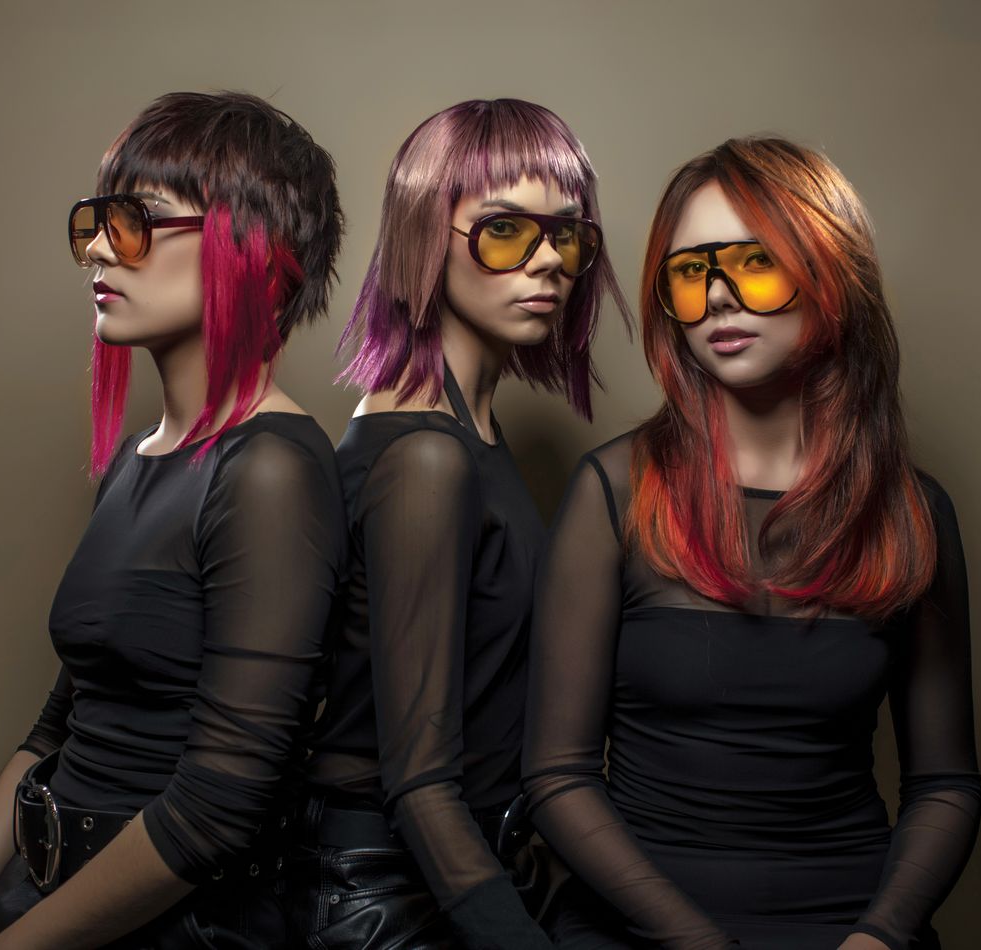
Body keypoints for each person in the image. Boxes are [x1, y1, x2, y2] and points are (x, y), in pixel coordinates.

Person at [522, 137, 981, 950]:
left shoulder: (913, 512)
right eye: (690, 273)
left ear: (829, 275)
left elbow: (945, 785)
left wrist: (879, 937)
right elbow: (558, 776)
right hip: (642, 929)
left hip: (849, 925)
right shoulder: (613, 493)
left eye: (754, 263)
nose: (718, 298)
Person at [0, 91, 346, 949]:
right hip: (34, 900)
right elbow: (54, 733)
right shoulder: (134, 460)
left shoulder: (272, 471)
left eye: (136, 222)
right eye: (95, 221)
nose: (96, 246)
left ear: (250, 250)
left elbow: (215, 810)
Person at [288, 98, 630, 949]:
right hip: (393, 897)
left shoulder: (465, 434)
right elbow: (419, 787)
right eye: (504, 231)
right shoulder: (425, 457)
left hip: (453, 871)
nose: (547, 261)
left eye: (567, 235)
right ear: (423, 238)